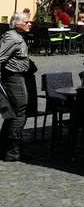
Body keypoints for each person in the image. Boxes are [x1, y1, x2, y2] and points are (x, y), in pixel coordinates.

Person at [0, 12, 32, 161]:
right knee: (19, 113)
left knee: (13, 113)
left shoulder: (17, 36)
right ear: (17, 23)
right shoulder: (11, 37)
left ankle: (6, 148)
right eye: (26, 22)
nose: (30, 24)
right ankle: (12, 150)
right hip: (13, 79)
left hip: (18, 77)